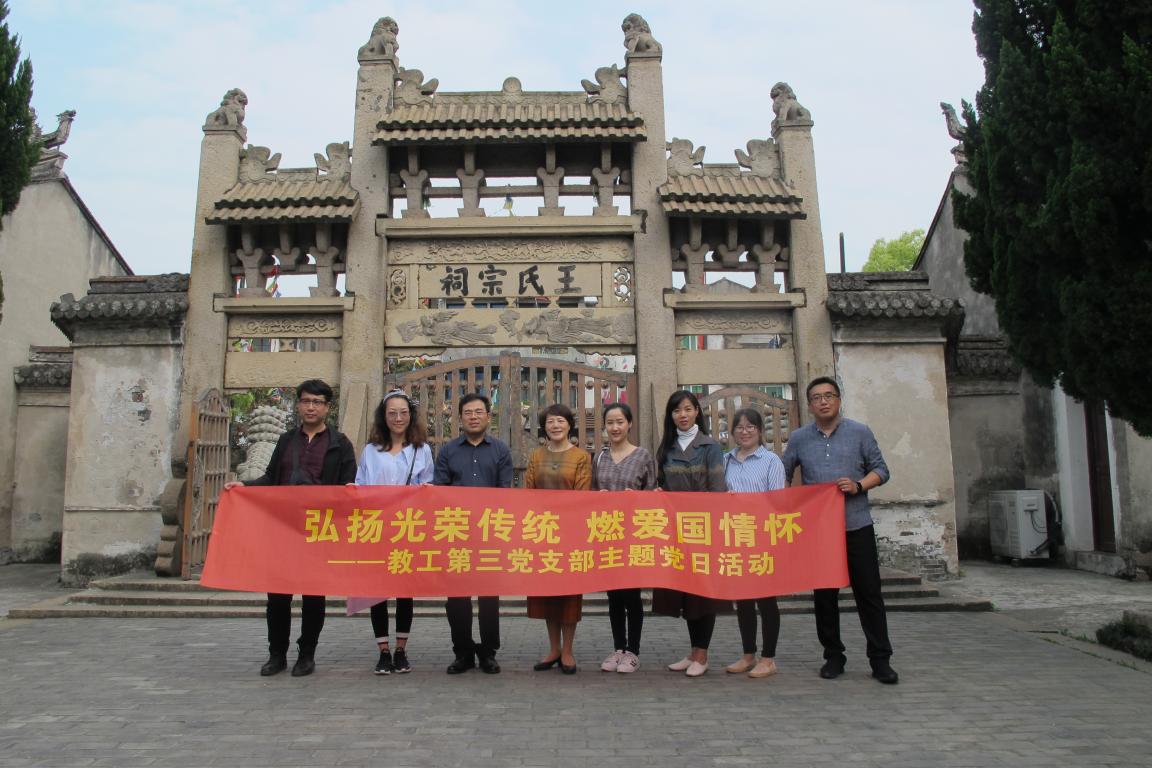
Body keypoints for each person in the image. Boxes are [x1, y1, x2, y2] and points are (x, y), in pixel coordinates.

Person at [222, 379, 357, 678]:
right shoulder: (285, 441)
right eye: (306, 401)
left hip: (318, 531)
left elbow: (348, 487)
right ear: (298, 405)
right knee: (278, 597)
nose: (311, 407)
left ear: (327, 407)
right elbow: (271, 479)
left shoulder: (340, 444)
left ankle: (307, 654)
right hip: (283, 530)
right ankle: (277, 654)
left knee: (314, 597)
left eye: (317, 402)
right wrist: (244, 486)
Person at [782, 376, 899, 685]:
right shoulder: (799, 438)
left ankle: (880, 659)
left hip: (856, 525)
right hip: (819, 531)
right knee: (824, 597)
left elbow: (881, 470)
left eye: (828, 395)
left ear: (838, 399)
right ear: (809, 405)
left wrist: (858, 485)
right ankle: (833, 656)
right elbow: (782, 471)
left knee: (869, 594)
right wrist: (786, 503)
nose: (823, 402)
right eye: (816, 398)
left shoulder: (860, 432)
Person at [351, 390, 433, 675]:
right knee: (377, 593)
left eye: (403, 413)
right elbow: (361, 485)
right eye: (392, 413)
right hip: (377, 529)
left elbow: (429, 485)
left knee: (404, 592)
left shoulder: (422, 450)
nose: (398, 418)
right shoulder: (371, 451)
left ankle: (401, 649)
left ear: (411, 416)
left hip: (407, 530)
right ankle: (383, 651)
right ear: (383, 417)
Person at [433, 393, 513, 675]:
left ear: (488, 416)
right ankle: (463, 652)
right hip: (456, 533)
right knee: (457, 598)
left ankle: (489, 652)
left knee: (489, 598)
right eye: (468, 412)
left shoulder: (500, 450)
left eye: (479, 412)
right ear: (460, 418)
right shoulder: (447, 451)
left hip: (490, 534)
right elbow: (440, 490)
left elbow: (505, 492)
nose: (474, 417)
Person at [652, 390, 728, 677]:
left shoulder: (710, 447)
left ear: (697, 411)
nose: (682, 415)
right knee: (685, 593)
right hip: (675, 532)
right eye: (676, 411)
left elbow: (717, 489)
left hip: (703, 530)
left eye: (687, 409)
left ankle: (702, 654)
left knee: (702, 594)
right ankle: (693, 652)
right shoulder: (666, 448)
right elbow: (663, 486)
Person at [525, 404, 592, 674]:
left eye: (560, 421)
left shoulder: (581, 457)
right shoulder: (536, 455)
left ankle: (568, 651)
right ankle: (553, 648)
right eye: (550, 421)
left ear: (569, 425)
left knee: (569, 595)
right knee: (547, 594)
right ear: (544, 427)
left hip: (570, 534)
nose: (555, 426)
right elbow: (529, 491)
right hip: (542, 533)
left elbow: (582, 494)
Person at [592, 402, 656, 674]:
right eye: (610, 423)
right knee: (614, 595)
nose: (615, 427)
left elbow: (653, 495)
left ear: (629, 424)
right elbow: (591, 495)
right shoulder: (599, 458)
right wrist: (598, 498)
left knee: (632, 595)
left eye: (620, 422)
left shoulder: (643, 456)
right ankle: (618, 648)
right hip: (608, 535)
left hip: (634, 536)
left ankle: (633, 651)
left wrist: (638, 498)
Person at [722, 408, 786, 679]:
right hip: (735, 537)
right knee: (744, 599)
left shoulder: (771, 461)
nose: (744, 431)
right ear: (733, 432)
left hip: (762, 538)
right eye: (739, 427)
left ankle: (768, 658)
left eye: (750, 427)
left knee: (766, 599)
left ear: (760, 431)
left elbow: (778, 501)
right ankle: (748, 654)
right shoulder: (725, 460)